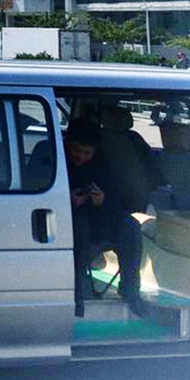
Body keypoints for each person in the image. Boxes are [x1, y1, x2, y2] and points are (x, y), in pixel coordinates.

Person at [65, 118, 146, 318]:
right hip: (69, 226)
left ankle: (130, 289)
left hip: (100, 223)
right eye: (77, 151)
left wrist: (103, 200)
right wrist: (68, 199)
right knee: (80, 225)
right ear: (68, 145)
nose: (81, 157)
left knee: (130, 226)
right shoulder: (55, 160)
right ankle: (76, 296)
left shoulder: (101, 166)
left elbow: (117, 202)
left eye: (87, 153)